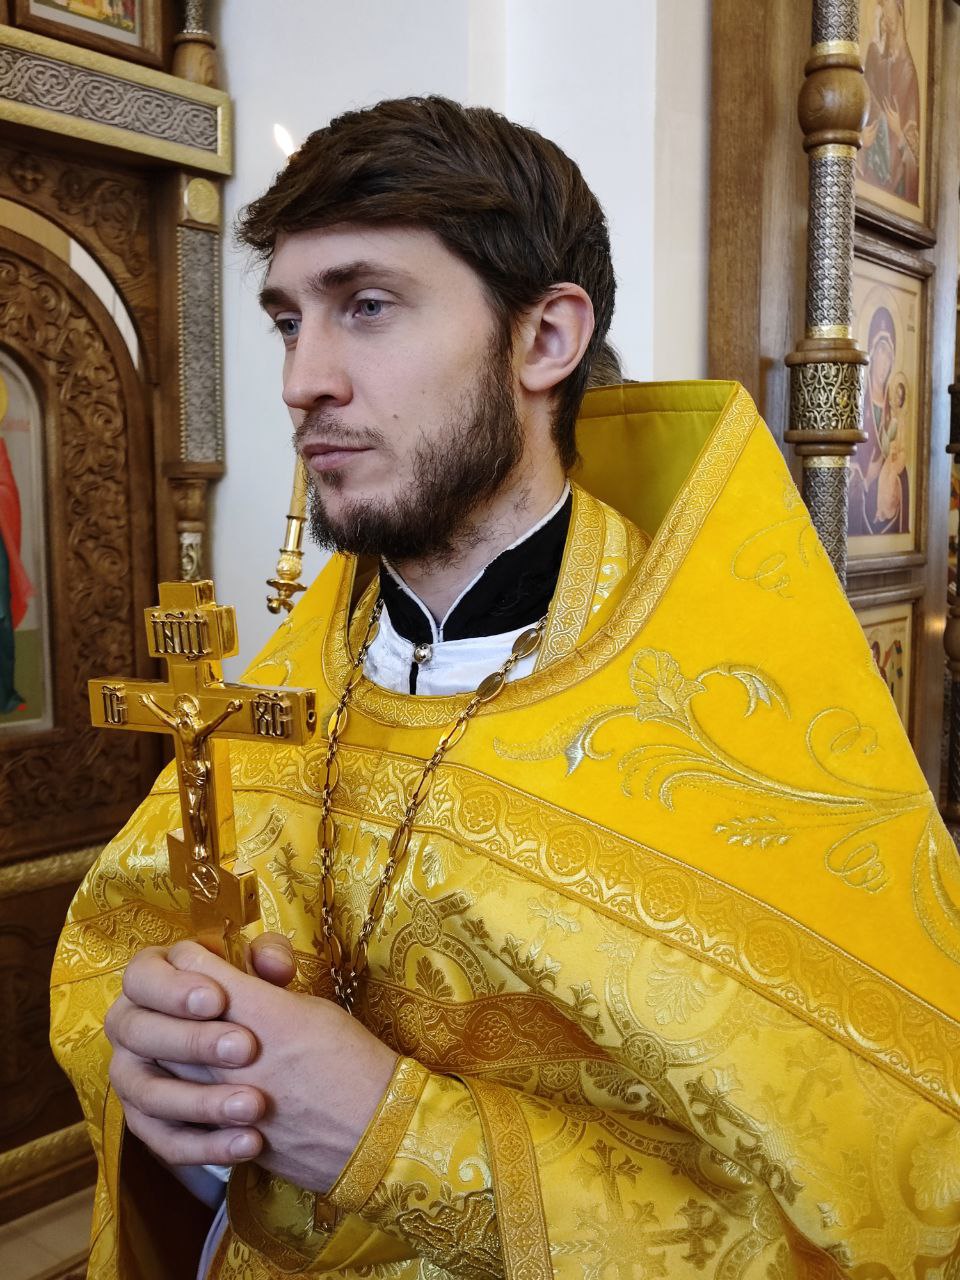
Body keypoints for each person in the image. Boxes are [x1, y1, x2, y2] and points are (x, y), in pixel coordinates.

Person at [51, 97, 959, 1280]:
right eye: (288, 319)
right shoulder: (288, 680)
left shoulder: (734, 723)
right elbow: (124, 960)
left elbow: (867, 1209)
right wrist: (169, 1078)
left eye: (366, 306)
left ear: (545, 339)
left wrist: (397, 1138)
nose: (303, 380)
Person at [860, 0, 922, 204]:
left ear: (900, 9)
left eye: (888, 5)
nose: (885, 17)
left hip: (896, 178)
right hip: (871, 167)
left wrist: (899, 130)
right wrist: (861, 139)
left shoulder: (908, 72)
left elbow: (915, 156)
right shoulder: (878, 61)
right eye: (882, 9)